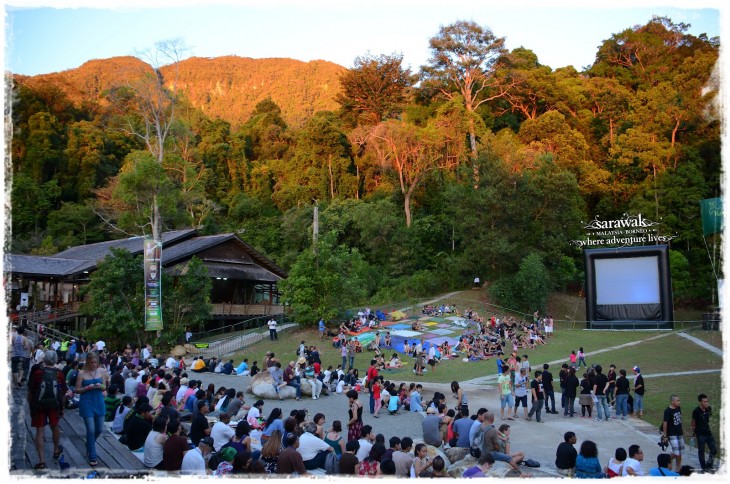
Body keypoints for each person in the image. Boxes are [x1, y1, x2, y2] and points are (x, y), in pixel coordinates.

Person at [27, 350, 67, 470]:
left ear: (44, 359)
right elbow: (63, 393)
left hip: (39, 405)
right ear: (55, 360)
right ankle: (55, 450)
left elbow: (30, 392)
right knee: (55, 426)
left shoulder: (37, 373)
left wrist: (31, 407)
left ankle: (42, 460)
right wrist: (62, 407)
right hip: (54, 405)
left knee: (40, 431)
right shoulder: (59, 374)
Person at [75, 351, 109, 467]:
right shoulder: (82, 373)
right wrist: (86, 388)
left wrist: (101, 387)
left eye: (95, 362)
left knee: (99, 429)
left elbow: (105, 387)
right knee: (90, 429)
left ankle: (89, 444)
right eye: (91, 362)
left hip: (99, 401)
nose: (94, 365)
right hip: (87, 401)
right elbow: (77, 390)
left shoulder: (102, 371)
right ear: (87, 362)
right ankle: (93, 455)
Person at [692, 393, 717, 473]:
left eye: (707, 401)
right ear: (700, 402)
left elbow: (708, 418)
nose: (706, 403)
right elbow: (693, 422)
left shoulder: (708, 409)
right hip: (700, 434)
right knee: (701, 451)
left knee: (714, 449)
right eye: (704, 402)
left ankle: (709, 464)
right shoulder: (696, 411)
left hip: (708, 433)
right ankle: (704, 467)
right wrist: (694, 433)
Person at [661, 394, 684, 472]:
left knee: (679, 451)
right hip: (672, 434)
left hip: (679, 433)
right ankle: (670, 462)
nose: (679, 402)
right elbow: (665, 423)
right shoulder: (667, 411)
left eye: (679, 400)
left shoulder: (678, 408)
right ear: (672, 401)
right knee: (677, 452)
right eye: (677, 401)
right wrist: (665, 435)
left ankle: (677, 466)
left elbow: (679, 419)